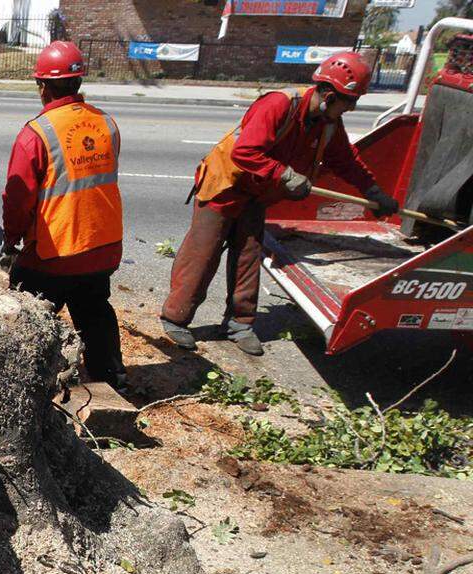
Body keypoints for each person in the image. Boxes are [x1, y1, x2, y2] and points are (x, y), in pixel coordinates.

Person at [160, 51, 395, 356]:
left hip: (258, 192)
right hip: (225, 185)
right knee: (203, 253)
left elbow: (345, 161)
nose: (350, 108)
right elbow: (244, 152)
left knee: (248, 255)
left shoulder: (327, 123)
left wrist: (374, 192)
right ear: (327, 94)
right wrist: (284, 174)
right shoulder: (279, 104)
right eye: (348, 102)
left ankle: (239, 324)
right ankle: (176, 318)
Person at [0, 41, 125, 386]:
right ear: (78, 82)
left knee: (26, 315)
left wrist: (12, 241)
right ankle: (111, 376)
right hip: (102, 247)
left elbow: (17, 198)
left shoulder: (36, 134)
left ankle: (21, 378)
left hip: (55, 254)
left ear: (42, 86)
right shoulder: (107, 124)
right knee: (94, 309)